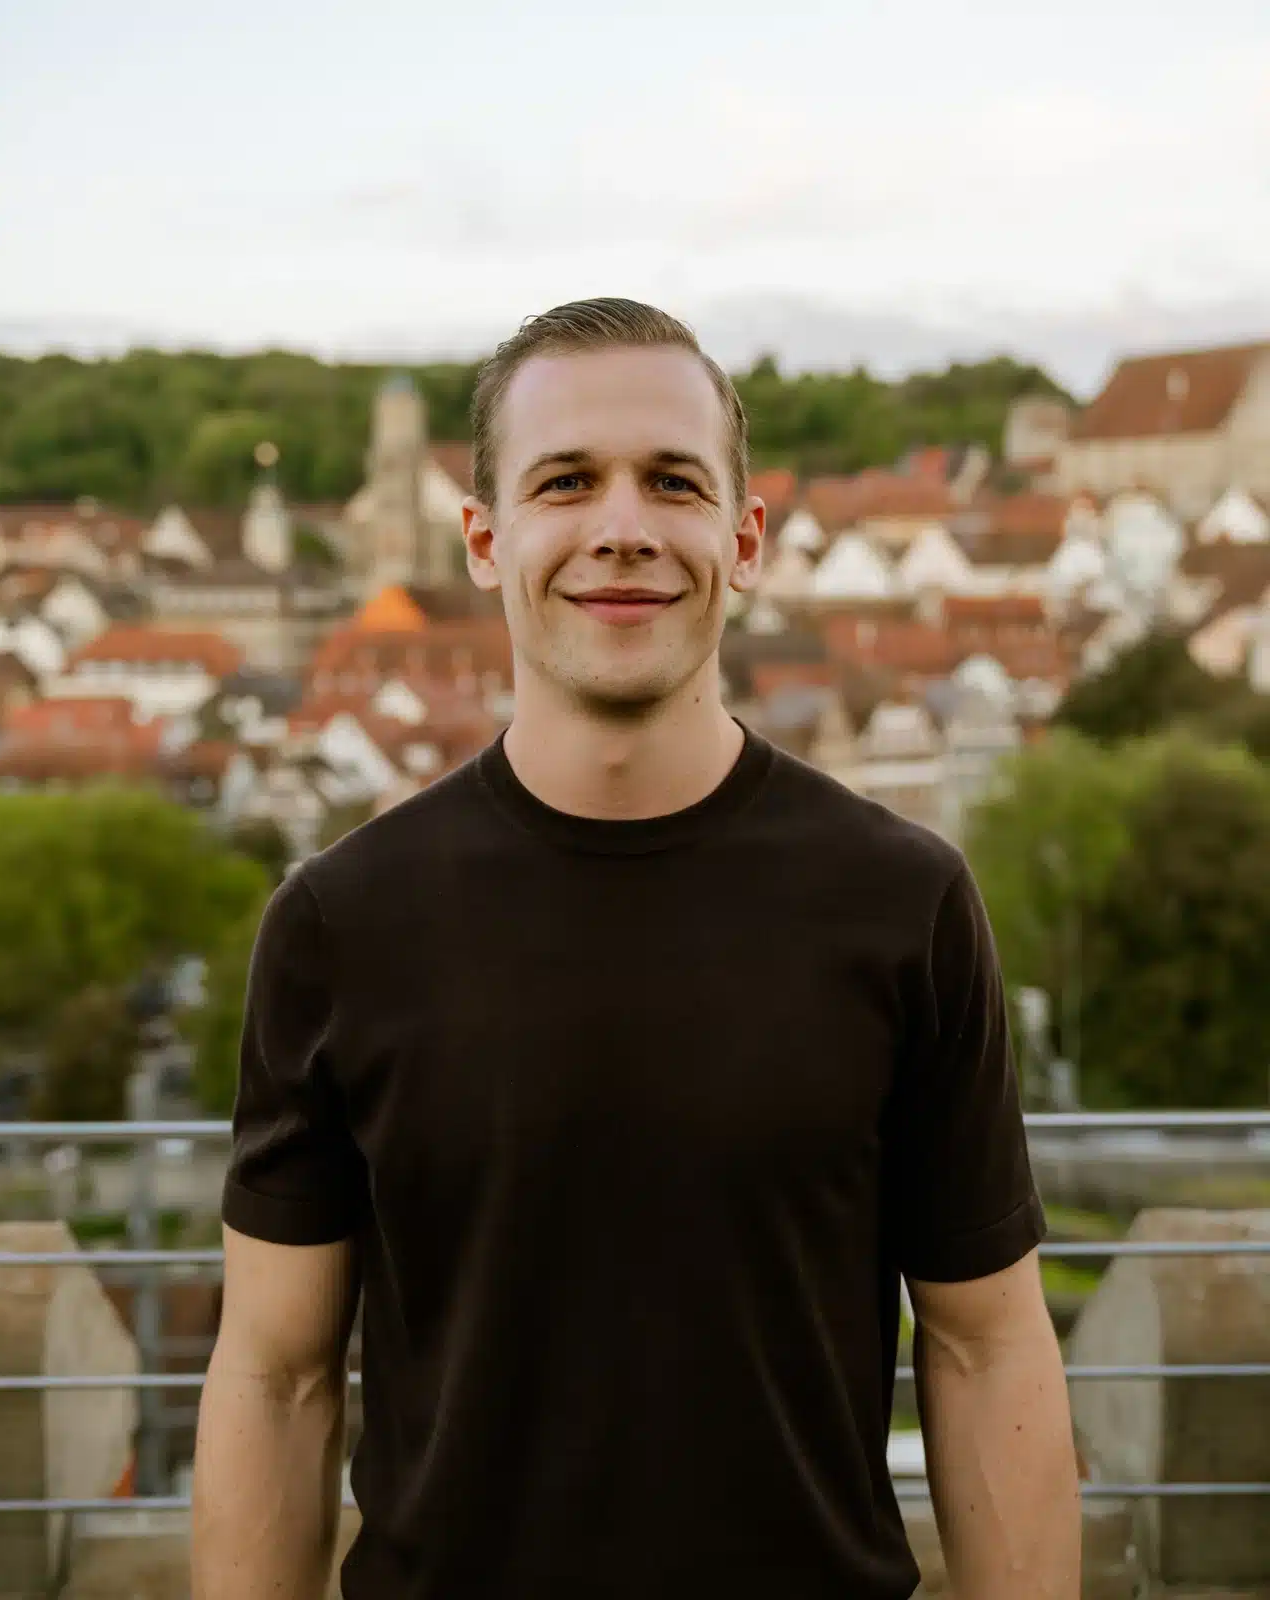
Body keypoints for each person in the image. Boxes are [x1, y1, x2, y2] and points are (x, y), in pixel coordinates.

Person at [192, 298, 1081, 1599]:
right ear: (487, 542)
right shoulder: (340, 922)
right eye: (567, 483)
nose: (623, 526)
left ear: (746, 536)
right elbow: (277, 1377)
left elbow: (984, 1349)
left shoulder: (906, 903)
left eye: (673, 481)